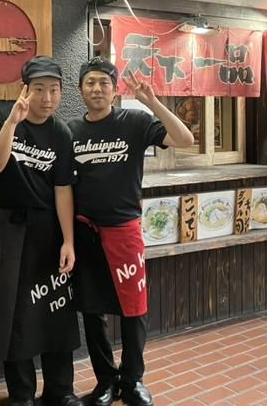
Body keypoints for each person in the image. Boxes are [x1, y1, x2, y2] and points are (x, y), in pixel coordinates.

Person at [68, 57, 195, 406]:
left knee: (133, 307)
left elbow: (185, 139)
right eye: (90, 82)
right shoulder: (72, 131)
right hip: (85, 232)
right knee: (92, 310)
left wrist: (153, 102)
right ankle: (105, 380)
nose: (97, 89)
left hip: (124, 230)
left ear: (114, 90)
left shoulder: (135, 122)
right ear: (80, 90)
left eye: (104, 83)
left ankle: (133, 379)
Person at [0, 56, 83, 406]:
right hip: (10, 228)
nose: (47, 98)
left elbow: (63, 189)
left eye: (54, 90)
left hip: (49, 229)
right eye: (39, 89)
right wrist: (12, 122)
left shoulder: (61, 133)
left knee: (56, 308)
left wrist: (68, 241)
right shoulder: (1, 119)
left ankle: (60, 390)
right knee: (14, 313)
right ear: (24, 89)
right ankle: (21, 394)